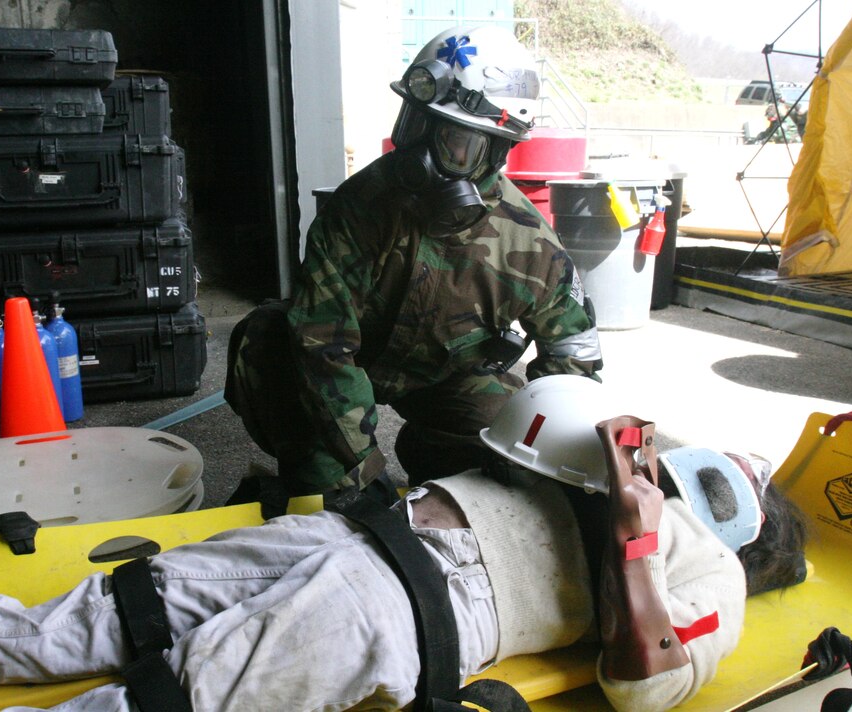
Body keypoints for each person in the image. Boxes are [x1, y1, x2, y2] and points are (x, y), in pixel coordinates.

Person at [0, 377, 808, 712]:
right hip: (359, 531)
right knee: (140, 598)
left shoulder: (704, 563)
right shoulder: (630, 463)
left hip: (420, 607)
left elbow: (645, 682)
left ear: (756, 525)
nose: (744, 463)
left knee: (197, 684)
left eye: (756, 481)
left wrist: (633, 549)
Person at [225, 25, 602, 501]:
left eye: (452, 142)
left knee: (503, 469)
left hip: (446, 372)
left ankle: (433, 450)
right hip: (350, 358)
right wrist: (363, 473)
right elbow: (322, 346)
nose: (420, 154)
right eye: (415, 125)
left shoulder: (531, 245)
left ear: (496, 151)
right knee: (270, 348)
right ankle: (319, 469)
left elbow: (575, 356)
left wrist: (549, 452)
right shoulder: (358, 207)